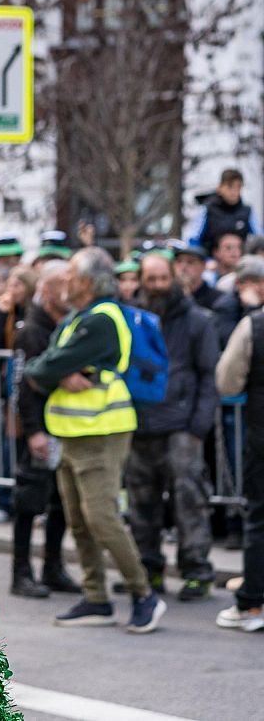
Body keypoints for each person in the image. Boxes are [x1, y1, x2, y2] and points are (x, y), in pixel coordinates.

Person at [22, 247, 166, 633]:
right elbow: (41, 367)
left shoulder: (101, 320)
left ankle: (143, 595)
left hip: (101, 433)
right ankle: (96, 598)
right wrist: (53, 370)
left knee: (101, 517)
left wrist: (53, 370)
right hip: (74, 433)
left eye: (70, 275)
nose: (65, 282)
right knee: (79, 521)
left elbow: (45, 366)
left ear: (87, 282)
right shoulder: (79, 318)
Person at [123, 252, 218, 601]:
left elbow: (209, 376)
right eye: (152, 279)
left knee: (189, 499)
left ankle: (196, 571)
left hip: (182, 428)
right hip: (139, 424)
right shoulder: (130, 317)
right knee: (141, 502)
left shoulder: (197, 320)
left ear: (174, 277)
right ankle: (149, 570)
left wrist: (197, 427)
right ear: (142, 280)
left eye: (164, 278)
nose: (159, 285)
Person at [8, 262, 80, 598]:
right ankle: (21, 572)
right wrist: (34, 431)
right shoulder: (32, 330)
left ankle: (53, 567)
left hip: (64, 424)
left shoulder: (67, 325)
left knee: (59, 501)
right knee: (29, 499)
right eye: (62, 283)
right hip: (40, 428)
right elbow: (24, 386)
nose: (70, 289)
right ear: (47, 289)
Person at [213, 254, 264, 632]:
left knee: (259, 518)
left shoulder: (254, 326)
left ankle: (251, 605)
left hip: (261, 437)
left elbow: (227, 382)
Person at [190, 168, 256, 256]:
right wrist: (204, 261)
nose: (234, 191)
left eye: (238, 186)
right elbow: (193, 239)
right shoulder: (206, 209)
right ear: (219, 188)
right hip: (210, 262)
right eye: (230, 186)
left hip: (239, 263)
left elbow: (259, 237)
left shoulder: (247, 211)